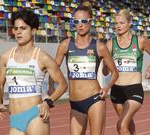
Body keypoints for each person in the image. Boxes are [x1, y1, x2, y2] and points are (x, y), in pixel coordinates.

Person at [0, 10, 68, 135]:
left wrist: (48, 102)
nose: (18, 32)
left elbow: (63, 84)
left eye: (23, 28)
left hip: (35, 115)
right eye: (16, 28)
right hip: (15, 119)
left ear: (33, 30)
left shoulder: (42, 57)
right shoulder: (6, 56)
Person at [49, 2, 118, 135]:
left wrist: (107, 88)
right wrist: (51, 86)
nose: (80, 25)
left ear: (90, 22)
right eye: (76, 21)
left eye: (84, 21)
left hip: (94, 100)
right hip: (75, 104)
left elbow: (115, 72)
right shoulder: (65, 45)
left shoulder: (99, 46)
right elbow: (53, 68)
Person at [103, 9, 150, 135]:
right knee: (128, 125)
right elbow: (105, 72)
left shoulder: (140, 41)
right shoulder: (110, 44)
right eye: (116, 23)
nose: (118, 26)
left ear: (129, 23)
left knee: (121, 125)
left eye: (121, 23)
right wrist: (106, 65)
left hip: (134, 90)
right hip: (116, 90)